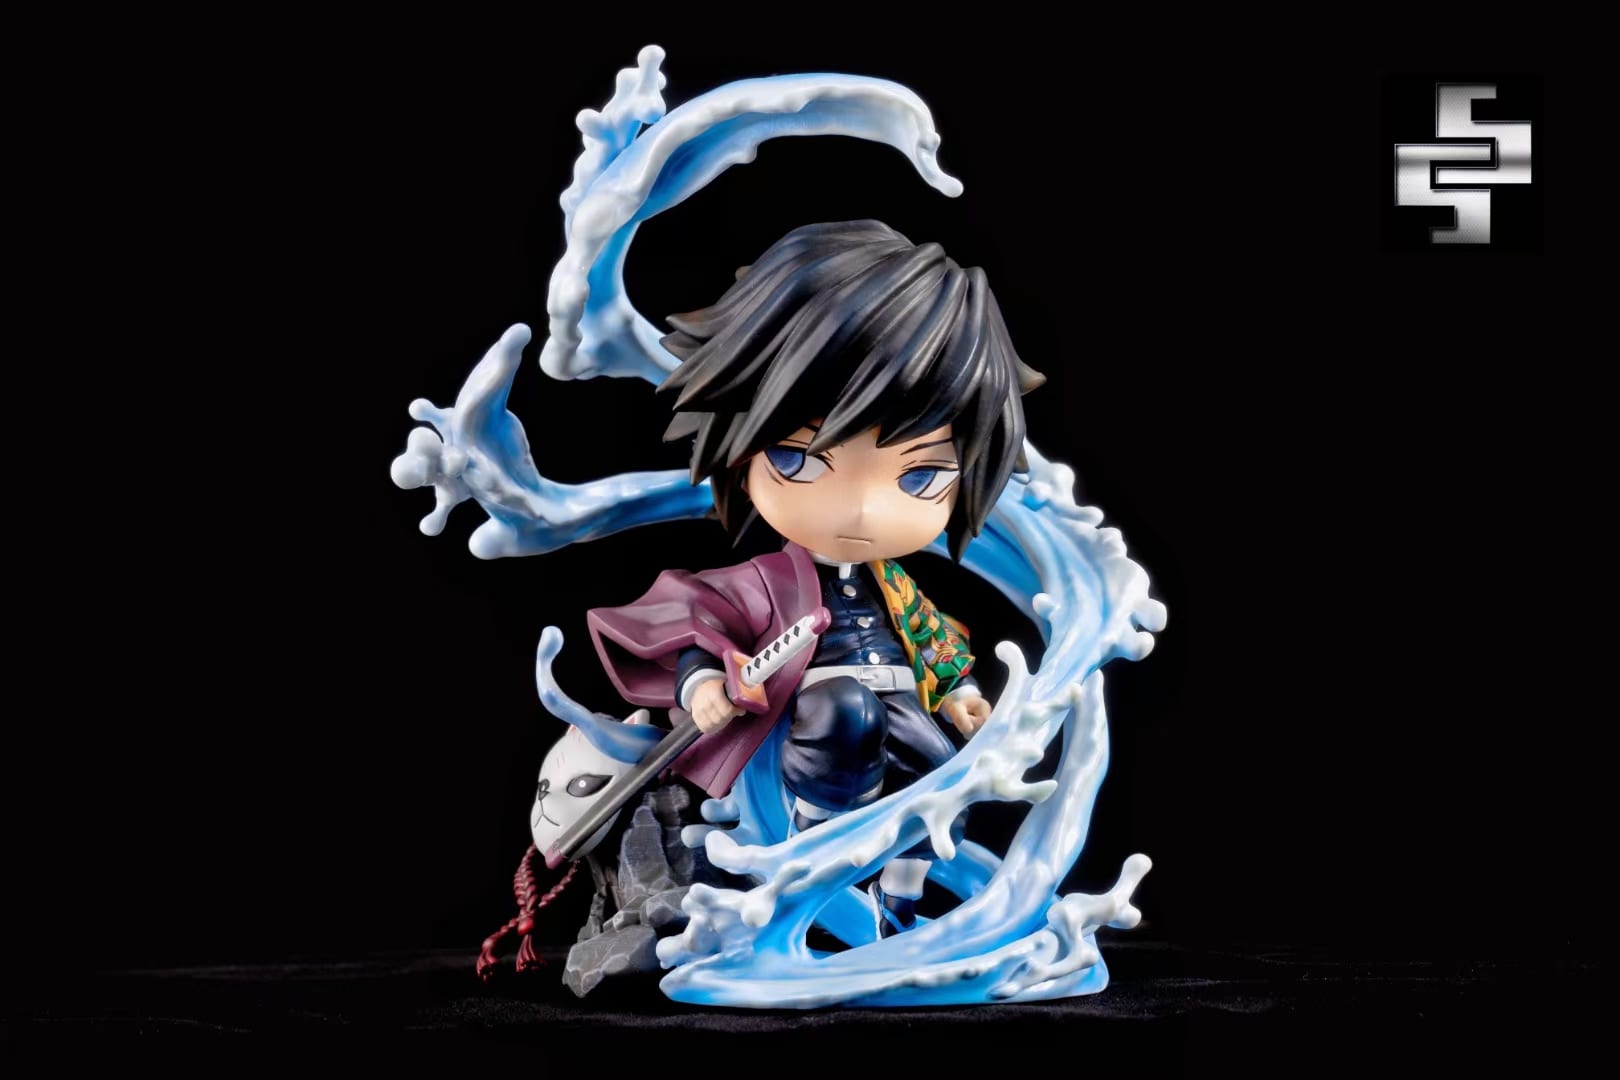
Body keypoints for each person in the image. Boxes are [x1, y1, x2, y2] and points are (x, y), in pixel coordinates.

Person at [585, 219, 1044, 938]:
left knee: (939, 771)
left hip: (900, 692)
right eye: (799, 460)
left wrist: (960, 697)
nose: (860, 508)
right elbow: (703, 622)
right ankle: (813, 844)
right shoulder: (764, 578)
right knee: (845, 718)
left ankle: (900, 899)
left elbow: (931, 640)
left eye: (920, 475)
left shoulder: (897, 587)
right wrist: (701, 684)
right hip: (821, 702)